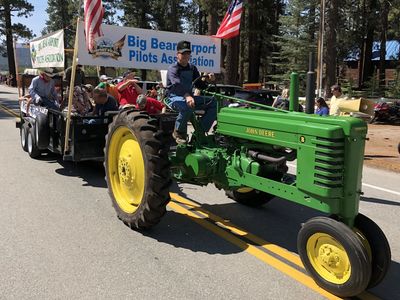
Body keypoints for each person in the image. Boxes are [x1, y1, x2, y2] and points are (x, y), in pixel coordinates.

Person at [166, 40, 217, 144]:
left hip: (189, 97)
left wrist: (208, 80)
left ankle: (200, 131)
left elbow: (199, 84)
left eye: (188, 53)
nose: (186, 56)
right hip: (174, 97)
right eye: (183, 53)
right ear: (177, 54)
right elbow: (177, 85)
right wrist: (187, 96)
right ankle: (179, 132)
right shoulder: (173, 68)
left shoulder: (192, 68)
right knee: (188, 105)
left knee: (213, 102)